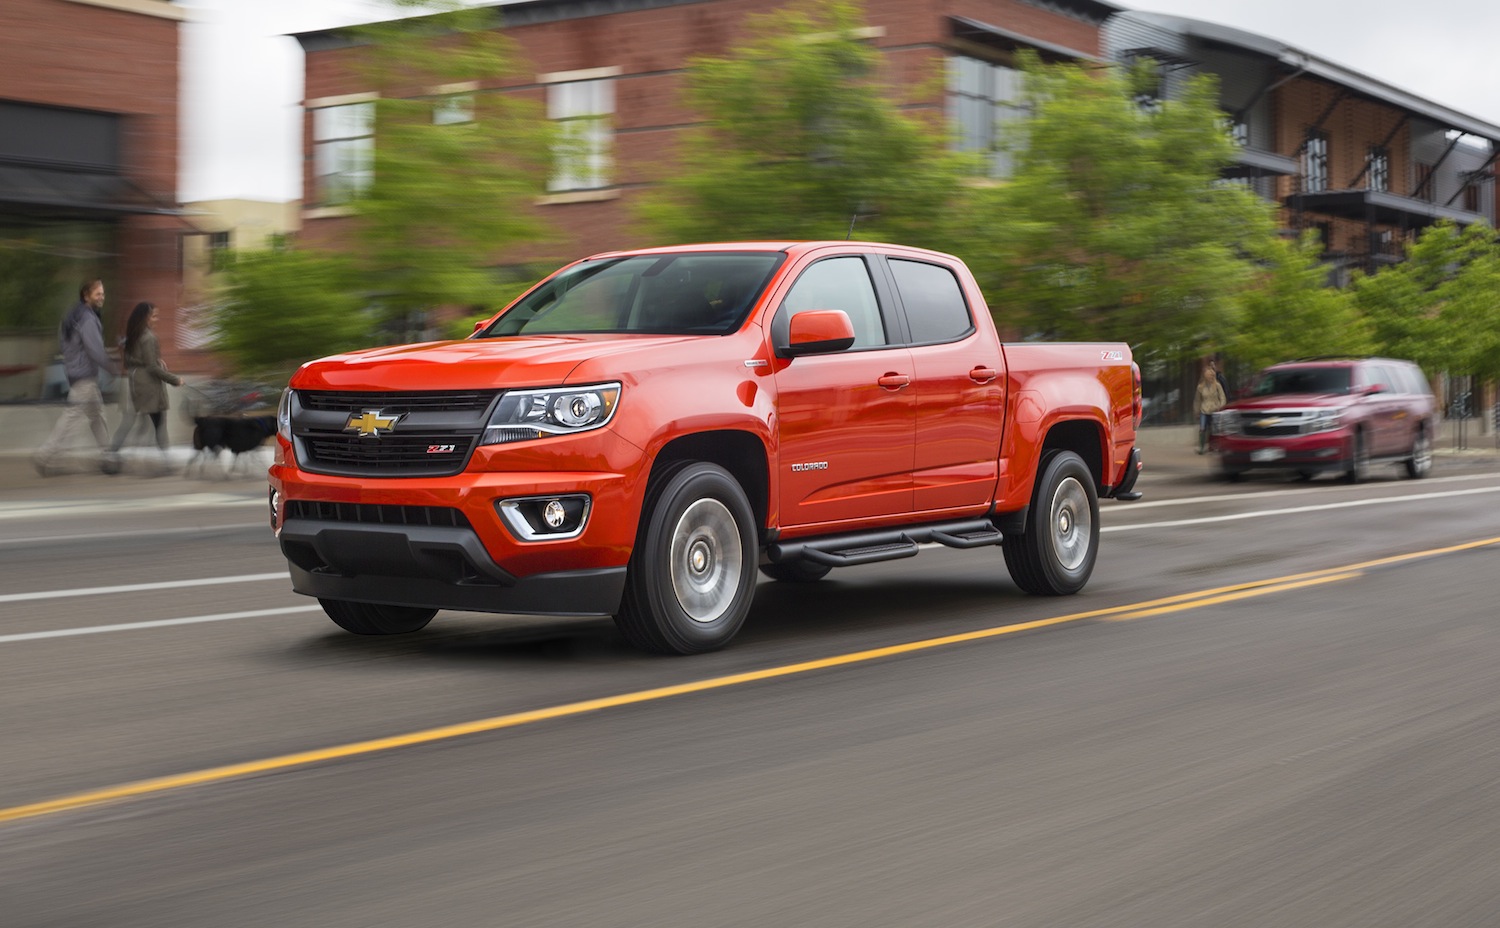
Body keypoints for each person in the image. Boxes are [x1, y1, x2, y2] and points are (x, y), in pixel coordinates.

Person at [33, 279, 114, 475]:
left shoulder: (73, 315)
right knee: (71, 418)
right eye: (98, 294)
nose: (102, 297)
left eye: (103, 293)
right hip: (84, 375)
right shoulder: (87, 318)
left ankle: (107, 455)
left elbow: (67, 345)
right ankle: (45, 455)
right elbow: (94, 348)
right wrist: (111, 366)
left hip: (79, 373)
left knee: (96, 415)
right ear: (86, 296)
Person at [103, 302, 183, 475]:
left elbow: (135, 361)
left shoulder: (134, 336)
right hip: (147, 386)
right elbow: (152, 368)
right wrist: (174, 380)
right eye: (154, 316)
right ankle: (163, 464)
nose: (157, 319)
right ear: (145, 318)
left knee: (131, 423)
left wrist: (154, 361)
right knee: (159, 423)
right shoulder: (149, 337)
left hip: (133, 384)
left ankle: (111, 457)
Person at [1194, 362, 1227, 454]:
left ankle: (1214, 446)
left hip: (1215, 409)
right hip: (1204, 410)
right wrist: (1196, 411)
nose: (1210, 377)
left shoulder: (1217, 385)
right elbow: (1197, 400)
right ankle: (1201, 447)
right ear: (1205, 376)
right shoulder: (1200, 387)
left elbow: (1223, 397)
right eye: (1208, 375)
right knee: (1202, 428)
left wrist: (1220, 406)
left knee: (1214, 429)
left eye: (1211, 375)